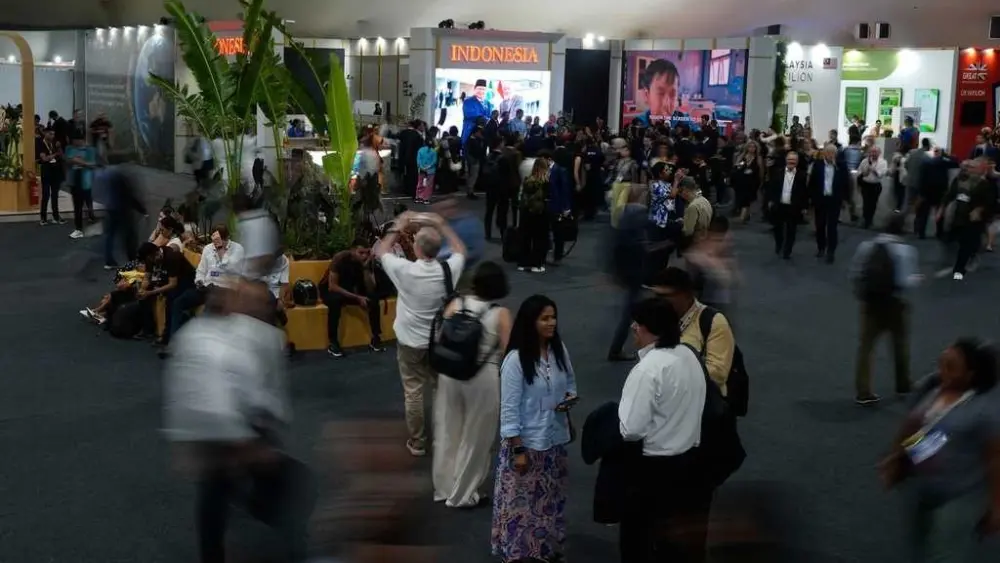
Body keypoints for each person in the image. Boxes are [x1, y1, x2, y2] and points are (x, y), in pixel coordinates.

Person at [164, 283, 304, 563]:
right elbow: (210, 394)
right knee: (225, 494)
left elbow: (270, 388)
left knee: (226, 494)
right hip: (227, 434)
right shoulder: (204, 339)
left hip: (243, 429)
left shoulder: (264, 337)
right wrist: (246, 444)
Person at [878, 338, 1000, 562]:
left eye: (950, 367)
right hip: (924, 489)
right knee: (920, 548)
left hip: (959, 497)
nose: (941, 371)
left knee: (945, 555)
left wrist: (996, 506)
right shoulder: (934, 388)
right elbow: (923, 429)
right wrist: (897, 457)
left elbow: (994, 459)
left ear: (970, 375)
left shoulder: (983, 412)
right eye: (941, 363)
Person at [619, 297, 710, 563]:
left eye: (637, 323)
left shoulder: (648, 369)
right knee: (678, 544)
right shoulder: (690, 355)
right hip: (690, 462)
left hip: (653, 470)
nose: (633, 328)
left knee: (640, 542)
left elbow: (631, 430)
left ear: (646, 328)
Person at [492, 294, 577, 563]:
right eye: (545, 318)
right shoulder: (515, 361)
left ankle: (545, 548)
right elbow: (509, 410)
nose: (552, 323)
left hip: (554, 439)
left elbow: (571, 384)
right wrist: (518, 449)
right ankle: (518, 553)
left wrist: (567, 400)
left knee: (549, 498)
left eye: (554, 317)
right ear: (531, 322)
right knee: (521, 503)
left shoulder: (559, 351)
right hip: (527, 444)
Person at [376, 211, 467, 456]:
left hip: (410, 342)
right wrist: (441, 224)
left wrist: (399, 225)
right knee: (440, 390)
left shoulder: (404, 270)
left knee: (413, 392)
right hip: (440, 341)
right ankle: (444, 437)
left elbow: (381, 251)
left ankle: (418, 442)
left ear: (416, 248)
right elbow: (460, 250)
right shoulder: (448, 270)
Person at [433, 261, 513, 508]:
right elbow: (510, 352)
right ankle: (463, 494)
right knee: (476, 435)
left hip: (450, 374)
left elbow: (440, 336)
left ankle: (444, 488)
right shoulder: (500, 314)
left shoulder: (456, 304)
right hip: (481, 377)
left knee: (448, 430)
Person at [849, 213, 920, 405]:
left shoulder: (867, 246)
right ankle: (903, 384)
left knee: (866, 346)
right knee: (899, 344)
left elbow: (855, 272)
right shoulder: (906, 251)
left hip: (870, 303)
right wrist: (917, 278)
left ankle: (863, 391)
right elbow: (905, 280)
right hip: (894, 303)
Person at [649, 267, 735, 396]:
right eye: (656, 295)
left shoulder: (713, 321)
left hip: (701, 401)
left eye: (665, 296)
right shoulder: (655, 318)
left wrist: (670, 374)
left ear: (686, 295)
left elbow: (718, 373)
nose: (659, 302)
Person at [319, 244, 384, 357]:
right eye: (361, 253)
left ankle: (376, 338)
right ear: (352, 251)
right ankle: (333, 342)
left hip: (349, 290)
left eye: (367, 253)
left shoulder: (365, 262)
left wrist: (365, 267)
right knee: (335, 302)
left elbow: (370, 288)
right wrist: (357, 298)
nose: (364, 256)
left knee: (373, 299)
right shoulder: (340, 258)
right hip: (331, 290)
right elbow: (332, 286)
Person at [136, 241, 197, 349]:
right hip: (165, 278)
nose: (150, 262)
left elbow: (173, 284)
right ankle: (148, 329)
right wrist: (142, 289)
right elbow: (147, 277)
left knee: (171, 298)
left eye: (151, 259)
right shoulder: (149, 258)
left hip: (184, 281)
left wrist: (151, 292)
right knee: (142, 296)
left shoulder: (172, 257)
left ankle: (166, 336)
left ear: (156, 254)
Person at [809, 144, 849, 263]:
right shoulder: (817, 165)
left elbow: (846, 183)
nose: (831, 155)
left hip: (834, 200)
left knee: (832, 227)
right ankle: (821, 248)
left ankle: (831, 251)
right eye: (829, 153)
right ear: (824, 154)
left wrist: (845, 199)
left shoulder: (841, 166)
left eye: (833, 153)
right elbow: (812, 183)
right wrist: (811, 198)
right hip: (820, 199)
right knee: (820, 225)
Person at [766, 151, 808, 259]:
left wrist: (804, 207)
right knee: (777, 228)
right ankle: (779, 244)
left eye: (793, 160)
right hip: (779, 205)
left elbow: (804, 192)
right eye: (789, 159)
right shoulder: (777, 172)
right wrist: (770, 200)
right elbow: (771, 188)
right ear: (786, 160)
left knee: (791, 230)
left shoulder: (802, 175)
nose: (791, 162)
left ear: (797, 162)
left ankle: (787, 250)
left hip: (793, 206)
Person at [517, 158, 551, 273]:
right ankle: (537, 264)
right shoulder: (545, 182)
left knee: (525, 237)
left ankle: (523, 263)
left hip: (526, 212)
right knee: (539, 239)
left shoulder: (528, 180)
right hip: (540, 213)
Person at [64, 133, 98, 227]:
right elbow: (68, 160)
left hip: (86, 179)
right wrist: (83, 162)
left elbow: (93, 164)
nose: (74, 142)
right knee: (77, 204)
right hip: (74, 179)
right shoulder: (70, 148)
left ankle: (91, 216)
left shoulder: (90, 149)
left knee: (88, 199)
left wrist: (79, 162)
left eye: (75, 140)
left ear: (81, 140)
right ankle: (78, 226)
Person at [36, 127, 65, 227]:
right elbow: (44, 158)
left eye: (53, 134)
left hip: (55, 171)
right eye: (50, 134)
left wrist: (59, 148)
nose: (52, 136)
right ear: (45, 133)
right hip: (46, 171)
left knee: (55, 195)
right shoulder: (40, 143)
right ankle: (43, 218)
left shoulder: (55, 144)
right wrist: (55, 154)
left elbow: (62, 156)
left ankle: (56, 216)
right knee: (46, 194)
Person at [732, 140, 763, 223]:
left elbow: (761, 171)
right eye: (750, 146)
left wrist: (761, 181)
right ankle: (746, 215)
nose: (751, 148)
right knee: (743, 198)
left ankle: (742, 217)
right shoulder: (742, 156)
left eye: (753, 147)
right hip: (742, 180)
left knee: (747, 198)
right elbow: (736, 167)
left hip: (753, 182)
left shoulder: (758, 158)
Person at [461, 79, 493, 145]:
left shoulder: (488, 103)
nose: (481, 91)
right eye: (479, 89)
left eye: (483, 89)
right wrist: (490, 123)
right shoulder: (468, 102)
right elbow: (475, 117)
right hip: (470, 134)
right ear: (474, 89)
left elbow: (490, 116)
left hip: (483, 136)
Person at [415, 137, 437, 205]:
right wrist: (428, 167)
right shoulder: (433, 151)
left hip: (421, 170)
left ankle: (418, 197)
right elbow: (434, 161)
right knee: (429, 185)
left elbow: (418, 160)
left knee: (420, 183)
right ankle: (426, 199)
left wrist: (422, 167)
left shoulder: (420, 150)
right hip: (431, 171)